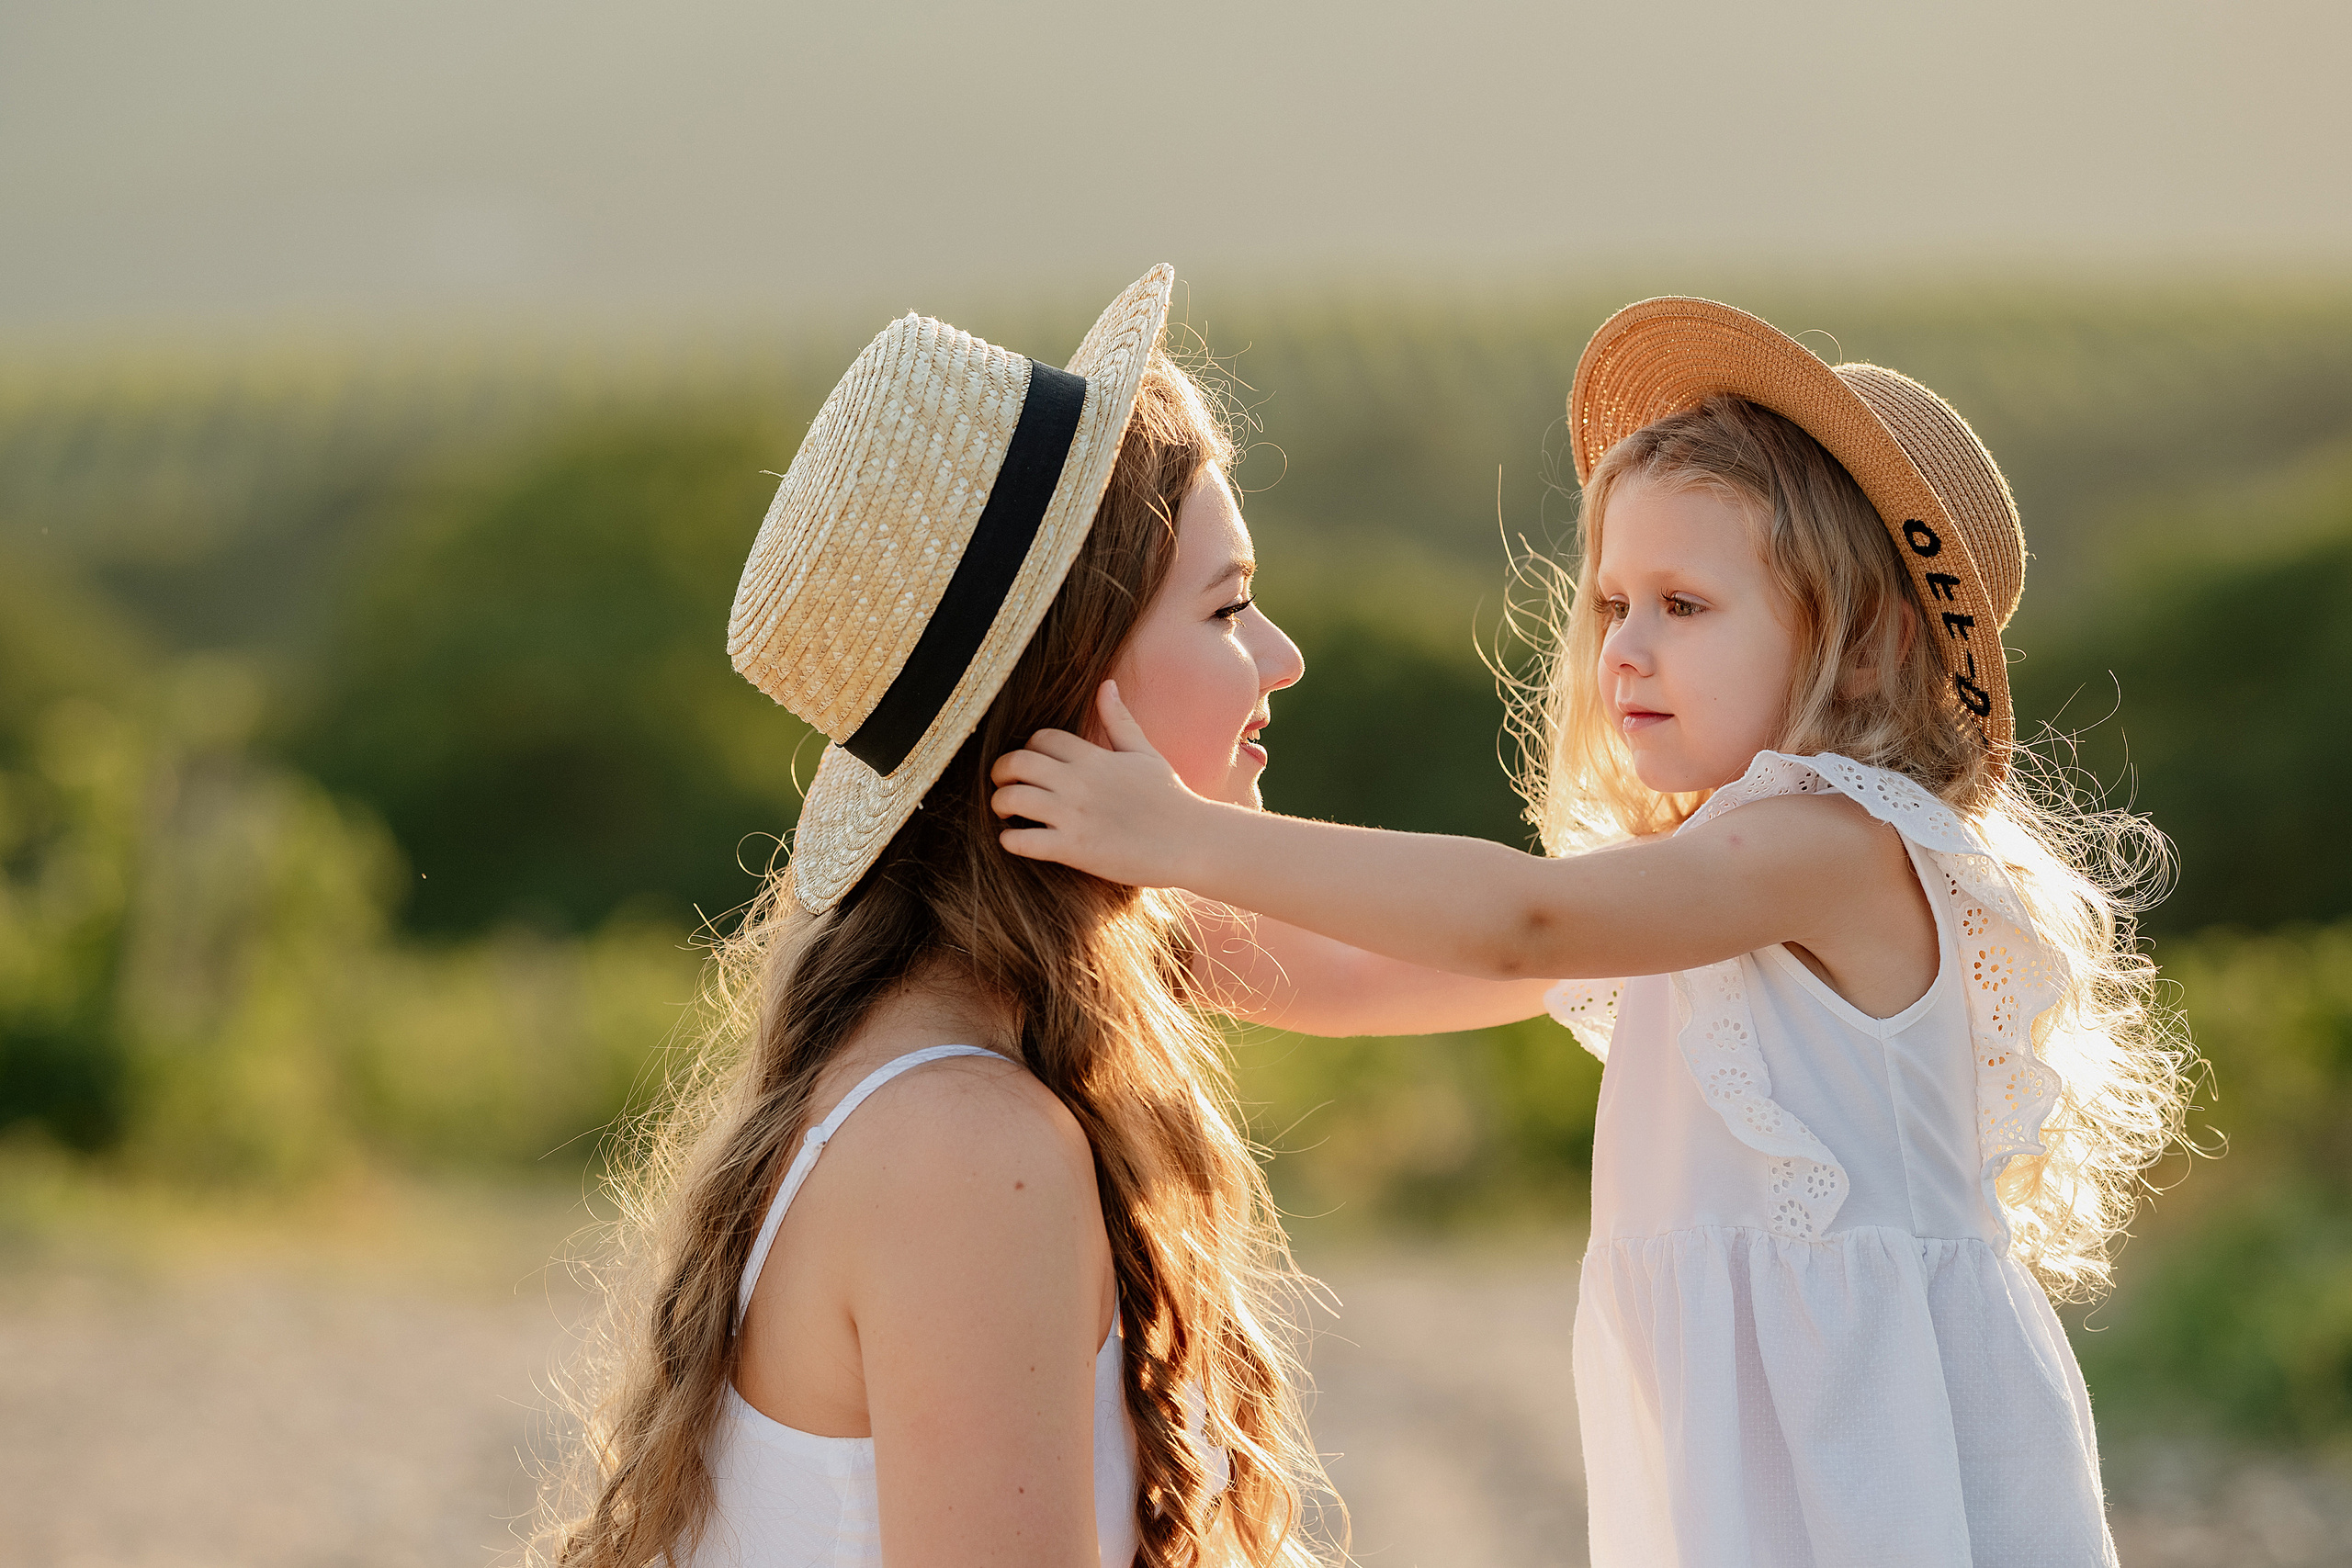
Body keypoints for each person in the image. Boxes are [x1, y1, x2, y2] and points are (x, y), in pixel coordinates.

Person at [989, 297, 2193, 1566]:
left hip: (1874, 1451)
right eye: (1614, 602)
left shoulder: (1838, 844)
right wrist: (1108, 917)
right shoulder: (1699, 888)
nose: (1625, 648)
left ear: (1861, 649)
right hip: (1754, 1453)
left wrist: (1181, 836)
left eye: (1685, 605)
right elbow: (1359, 971)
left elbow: (1520, 921)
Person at [542, 267, 1331, 1568]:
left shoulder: (934, 1058)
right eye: (1230, 607)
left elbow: (1480, 953)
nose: (1283, 656)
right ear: (1077, 687)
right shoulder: (965, 1147)